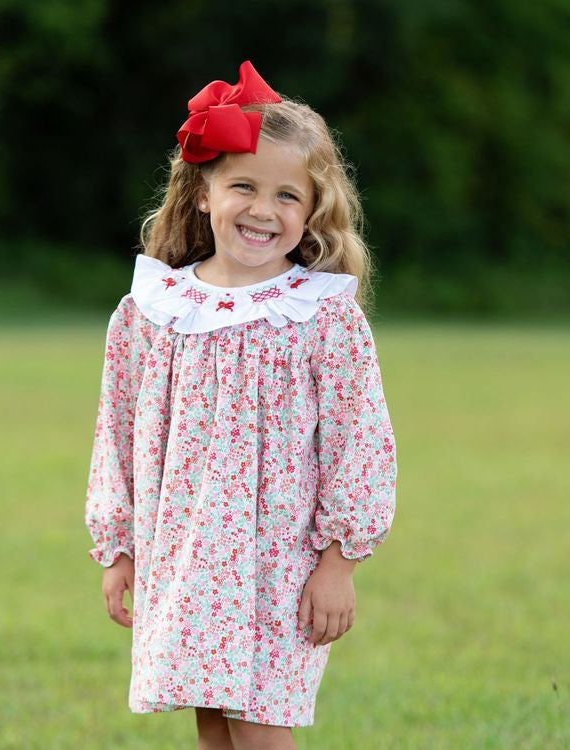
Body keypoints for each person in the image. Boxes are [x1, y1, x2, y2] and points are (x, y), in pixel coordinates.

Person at [85, 60, 397, 750]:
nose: (263, 210)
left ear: (313, 209)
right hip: (185, 556)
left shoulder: (321, 318)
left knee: (261, 731)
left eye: (288, 195)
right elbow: (117, 430)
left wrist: (338, 562)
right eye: (244, 186)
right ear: (202, 192)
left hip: (278, 566)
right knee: (215, 728)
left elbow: (360, 443)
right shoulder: (150, 312)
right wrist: (119, 546)